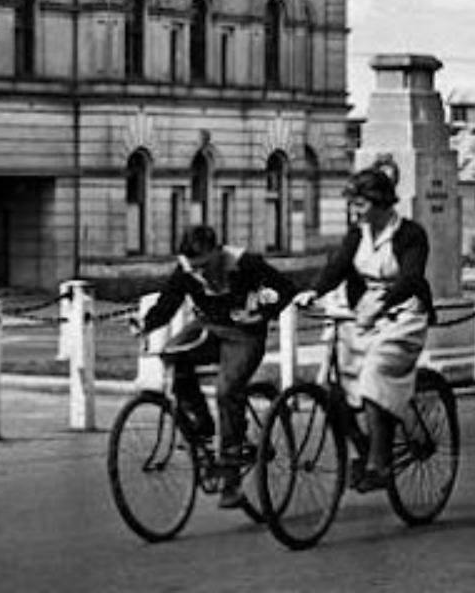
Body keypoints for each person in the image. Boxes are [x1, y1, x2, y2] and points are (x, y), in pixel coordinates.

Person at [134, 224, 297, 508]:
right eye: (191, 268)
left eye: (204, 266)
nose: (197, 273)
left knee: (227, 389)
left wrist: (262, 314)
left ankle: (231, 477)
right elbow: (169, 302)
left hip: (244, 335)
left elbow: (286, 289)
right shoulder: (186, 269)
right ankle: (203, 428)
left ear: (217, 252)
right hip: (209, 328)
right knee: (172, 353)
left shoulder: (245, 262)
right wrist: (146, 325)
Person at [294, 161, 434, 492]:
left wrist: (382, 305)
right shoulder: (358, 234)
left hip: (403, 315)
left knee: (373, 375)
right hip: (362, 314)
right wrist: (314, 290)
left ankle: (380, 464)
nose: (354, 211)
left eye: (360, 204)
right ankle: (363, 445)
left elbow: (412, 278)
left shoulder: (411, 234)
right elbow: (338, 266)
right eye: (352, 205)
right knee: (334, 386)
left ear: (381, 203)